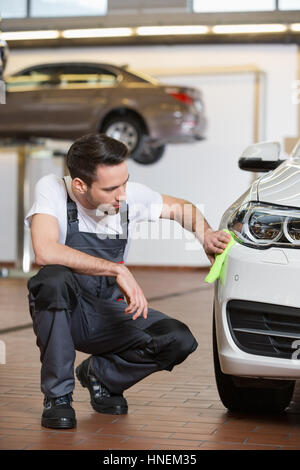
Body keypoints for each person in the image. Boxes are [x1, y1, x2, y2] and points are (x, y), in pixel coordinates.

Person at [25, 133, 231, 429]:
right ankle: (58, 397)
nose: (122, 194)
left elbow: (182, 208)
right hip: (67, 312)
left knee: (178, 339)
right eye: (111, 188)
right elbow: (45, 250)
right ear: (80, 185)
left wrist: (205, 235)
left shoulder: (127, 197)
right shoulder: (53, 190)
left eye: (125, 182)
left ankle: (101, 375)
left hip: (109, 312)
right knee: (52, 280)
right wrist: (118, 270)